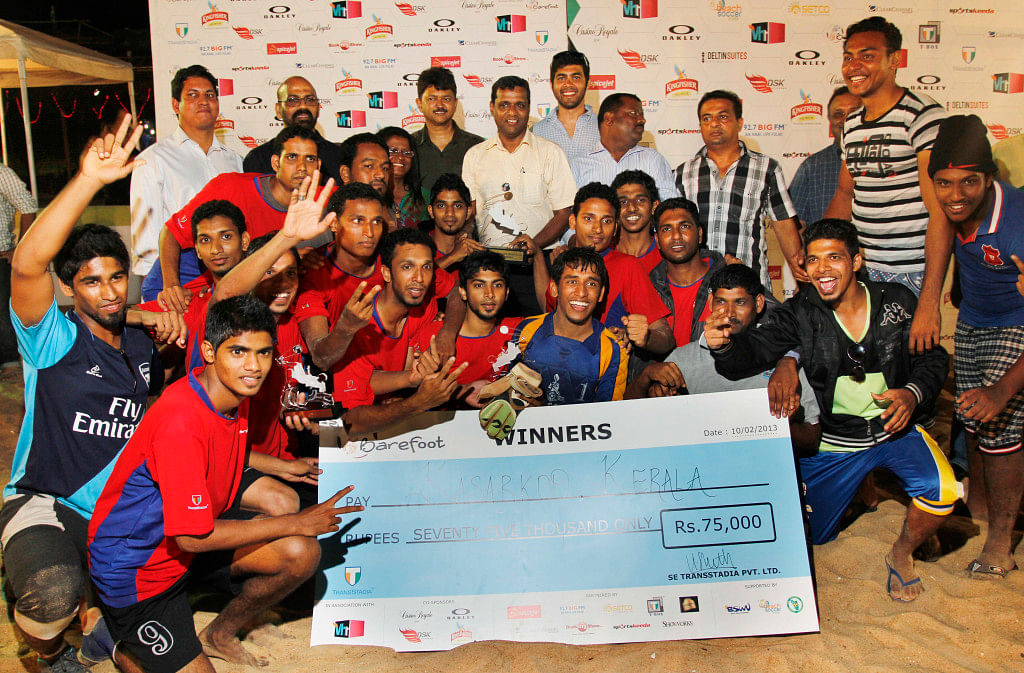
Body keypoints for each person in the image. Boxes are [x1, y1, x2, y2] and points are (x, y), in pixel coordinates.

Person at [88, 294, 364, 673]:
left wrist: (281, 466)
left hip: (186, 550)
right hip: (139, 570)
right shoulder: (181, 421)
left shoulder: (232, 390)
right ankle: (115, 640)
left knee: (301, 552)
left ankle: (217, 634)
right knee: (296, 529)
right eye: (238, 351)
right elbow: (189, 536)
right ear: (209, 351)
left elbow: (220, 444)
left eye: (264, 353)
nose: (254, 366)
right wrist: (299, 522)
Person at [2, 119, 177, 671]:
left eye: (117, 278)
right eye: (91, 282)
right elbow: (26, 263)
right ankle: (50, 653)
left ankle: (96, 612)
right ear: (68, 288)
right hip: (48, 501)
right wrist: (87, 181)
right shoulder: (52, 339)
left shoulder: (145, 343)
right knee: (50, 593)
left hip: (118, 512)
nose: (108, 292)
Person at [707, 218, 958, 602]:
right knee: (816, 535)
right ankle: (860, 490)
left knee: (942, 491)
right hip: (838, 440)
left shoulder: (897, 301)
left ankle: (902, 552)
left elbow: (934, 360)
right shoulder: (799, 312)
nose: (822, 269)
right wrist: (724, 346)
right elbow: (753, 352)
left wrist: (910, 394)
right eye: (813, 260)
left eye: (834, 258)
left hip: (897, 431)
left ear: (856, 261)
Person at [928, 115, 1024, 578]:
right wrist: (930, 302)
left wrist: (1004, 390)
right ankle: (981, 513)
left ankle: (1001, 544)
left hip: (1018, 324)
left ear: (989, 179)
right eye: (944, 183)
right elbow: (942, 231)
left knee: (1000, 424)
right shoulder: (950, 209)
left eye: (969, 182)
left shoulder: (1018, 224)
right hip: (973, 322)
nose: (956, 194)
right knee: (972, 418)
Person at [822, 17, 947, 354]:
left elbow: (941, 213)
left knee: (909, 374)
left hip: (912, 273)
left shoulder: (923, 116)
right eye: (848, 57)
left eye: (867, 55)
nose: (854, 66)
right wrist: (816, 248)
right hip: (865, 272)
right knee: (872, 370)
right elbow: (845, 195)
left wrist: (929, 302)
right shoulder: (852, 123)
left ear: (895, 60)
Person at [628, 264, 821, 457]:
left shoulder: (784, 364)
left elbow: (812, 438)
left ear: (759, 303)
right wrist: (646, 378)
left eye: (740, 302)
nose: (729, 313)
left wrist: (782, 424)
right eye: (721, 302)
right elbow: (627, 418)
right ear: (711, 302)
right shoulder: (683, 359)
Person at [156, 126, 323, 312]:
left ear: (318, 166)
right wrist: (171, 285)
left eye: (310, 158)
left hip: (260, 301)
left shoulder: (329, 200)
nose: (302, 167)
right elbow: (170, 232)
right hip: (187, 294)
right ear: (276, 163)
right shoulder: (230, 187)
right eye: (292, 157)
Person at [462, 75, 576, 314]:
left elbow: (564, 212)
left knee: (538, 333)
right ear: (492, 108)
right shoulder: (474, 155)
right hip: (490, 266)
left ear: (528, 108)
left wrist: (535, 244)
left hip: (539, 263)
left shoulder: (550, 153)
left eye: (520, 105)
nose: (512, 112)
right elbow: (470, 213)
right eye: (504, 104)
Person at [338, 228, 469, 434]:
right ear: (387, 273)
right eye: (407, 267)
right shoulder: (357, 326)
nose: (419, 277)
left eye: (426, 267)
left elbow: (456, 290)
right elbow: (350, 422)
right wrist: (415, 402)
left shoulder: (420, 293)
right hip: (369, 432)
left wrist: (448, 332)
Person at [675, 89, 806, 289]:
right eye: (707, 118)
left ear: (740, 123)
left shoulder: (766, 169)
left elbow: (785, 228)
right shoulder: (683, 173)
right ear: (700, 126)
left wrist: (801, 282)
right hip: (698, 289)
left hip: (749, 287)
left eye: (723, 116)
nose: (714, 123)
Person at [132, 65, 242, 300]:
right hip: (175, 283)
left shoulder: (235, 161)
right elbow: (146, 243)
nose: (203, 101)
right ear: (175, 105)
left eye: (210, 95)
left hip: (229, 281)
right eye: (192, 95)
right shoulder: (152, 161)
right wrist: (159, 293)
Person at [533, 183, 674, 354]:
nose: (597, 229)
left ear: (615, 228)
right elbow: (547, 310)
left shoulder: (628, 266)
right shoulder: (564, 262)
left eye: (606, 221)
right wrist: (537, 255)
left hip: (605, 373)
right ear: (572, 221)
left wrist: (644, 337)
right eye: (588, 218)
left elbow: (665, 338)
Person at [511, 246, 628, 404]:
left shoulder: (613, 350)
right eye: (572, 281)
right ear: (554, 288)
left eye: (591, 284)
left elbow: (609, 416)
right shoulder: (527, 329)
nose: (581, 292)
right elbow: (505, 387)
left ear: (601, 294)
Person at [412, 250, 522, 391]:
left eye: (497, 285)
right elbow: (416, 394)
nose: (489, 293)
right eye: (479, 285)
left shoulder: (519, 330)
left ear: (506, 293)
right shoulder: (433, 337)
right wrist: (462, 391)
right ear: (463, 292)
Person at [570, 93, 679, 202]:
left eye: (642, 114)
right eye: (633, 113)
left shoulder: (653, 160)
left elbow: (669, 210)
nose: (642, 120)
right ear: (609, 119)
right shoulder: (578, 165)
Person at [648, 197, 726, 347]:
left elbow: (775, 326)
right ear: (657, 240)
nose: (676, 236)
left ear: (700, 234)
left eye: (684, 227)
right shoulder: (648, 288)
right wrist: (650, 368)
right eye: (667, 229)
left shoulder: (729, 280)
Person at [242, 75, 342, 186]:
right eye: (293, 100)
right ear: (279, 110)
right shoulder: (258, 158)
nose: (303, 106)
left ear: (318, 108)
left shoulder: (339, 156)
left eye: (310, 100)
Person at [789, 87, 862, 227]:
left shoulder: (891, 159)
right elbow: (795, 226)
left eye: (854, 112)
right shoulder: (812, 167)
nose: (846, 120)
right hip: (828, 248)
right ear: (829, 119)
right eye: (838, 114)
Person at [412, 67, 484, 193]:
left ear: (455, 104)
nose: (439, 105)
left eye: (446, 99)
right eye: (432, 99)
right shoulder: (409, 147)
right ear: (419, 104)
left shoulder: (476, 146)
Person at [531, 50, 600, 161]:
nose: (568, 84)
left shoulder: (605, 129)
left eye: (576, 77)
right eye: (561, 78)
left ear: (587, 83)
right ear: (551, 84)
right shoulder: (536, 132)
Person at [0, 162, 37, 369]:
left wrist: (20, 249)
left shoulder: (2, 173)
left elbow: (28, 207)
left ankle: (10, 364)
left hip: (1, 257)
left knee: (2, 319)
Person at [425, 173, 483, 287]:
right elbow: (411, 278)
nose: (450, 213)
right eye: (442, 206)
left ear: (468, 212)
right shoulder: (416, 247)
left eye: (457, 206)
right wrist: (452, 257)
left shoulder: (475, 254)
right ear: (431, 211)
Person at [378, 126, 429, 229]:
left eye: (406, 153)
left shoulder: (424, 196)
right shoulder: (369, 194)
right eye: (393, 151)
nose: (401, 157)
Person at [611, 170, 661, 273]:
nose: (632, 208)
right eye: (623, 202)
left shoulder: (667, 253)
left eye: (640, 200)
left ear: (654, 206)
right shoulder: (604, 254)